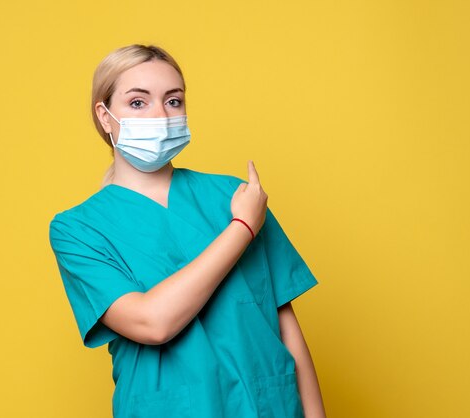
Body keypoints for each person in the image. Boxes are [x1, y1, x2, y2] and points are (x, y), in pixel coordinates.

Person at [49, 44, 326, 418]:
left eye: (174, 101)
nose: (161, 115)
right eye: (137, 103)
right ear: (105, 115)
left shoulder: (233, 195)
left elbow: (285, 322)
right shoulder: (78, 230)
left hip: (268, 406)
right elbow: (152, 322)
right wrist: (241, 229)